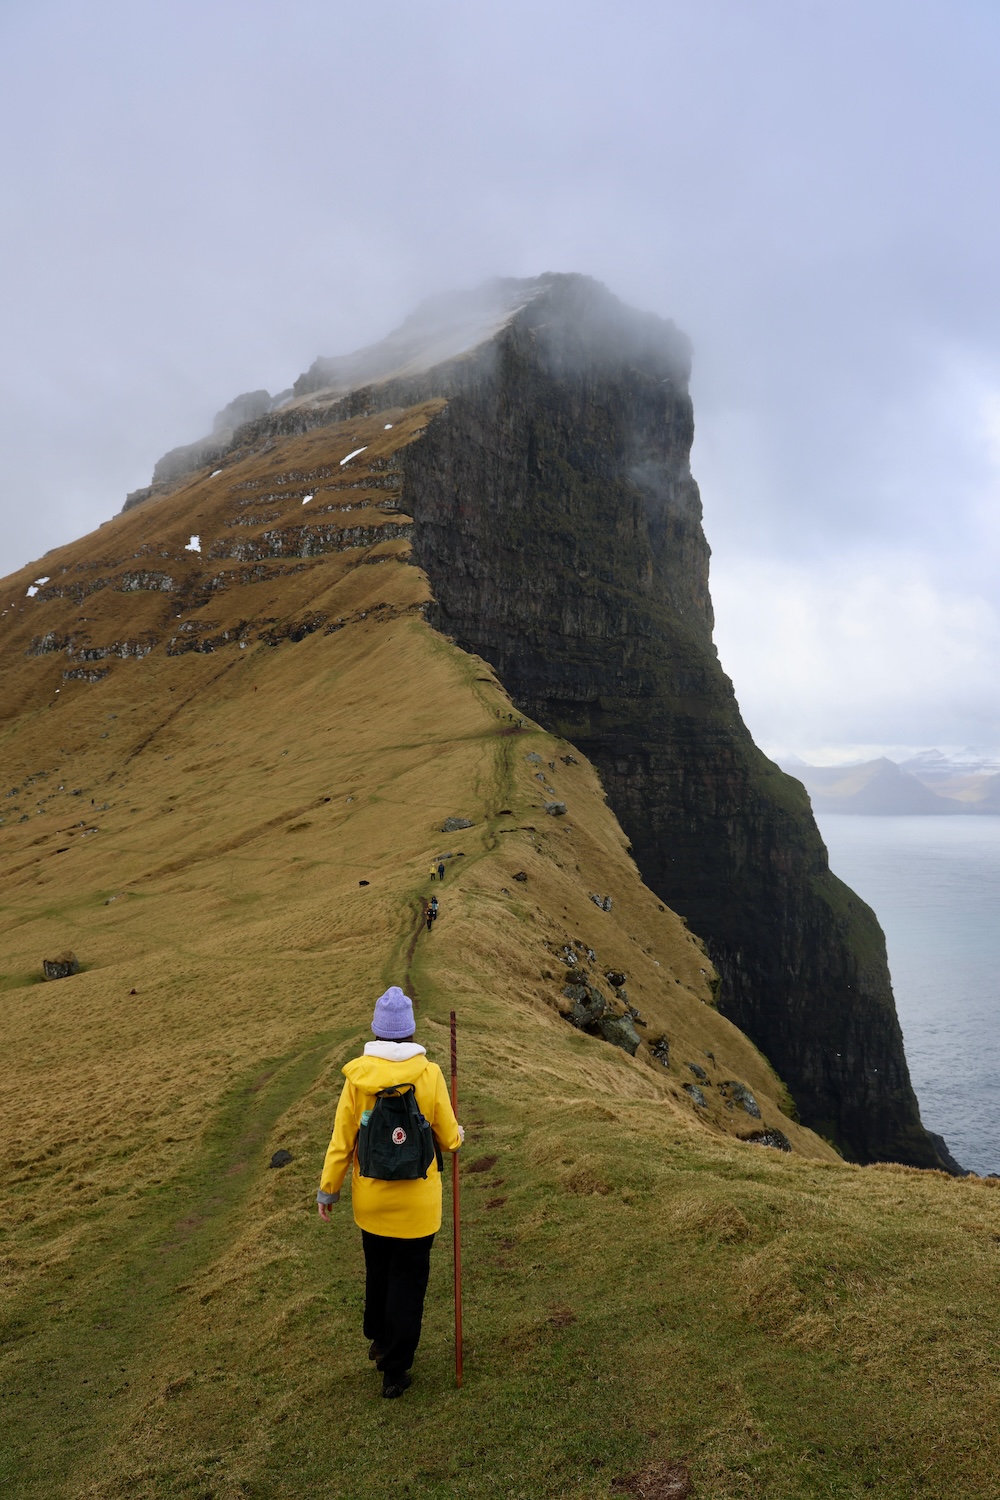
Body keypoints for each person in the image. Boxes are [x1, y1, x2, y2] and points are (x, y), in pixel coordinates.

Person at [317, 986, 463, 1398]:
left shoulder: (358, 1078)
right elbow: (449, 1140)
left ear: (376, 1032)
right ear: (410, 1032)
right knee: (408, 1281)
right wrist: (458, 1135)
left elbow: (342, 1139)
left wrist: (328, 1190)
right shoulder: (429, 1074)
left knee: (378, 1271)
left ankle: (379, 1339)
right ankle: (395, 1370)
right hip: (419, 1207)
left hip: (372, 1201)